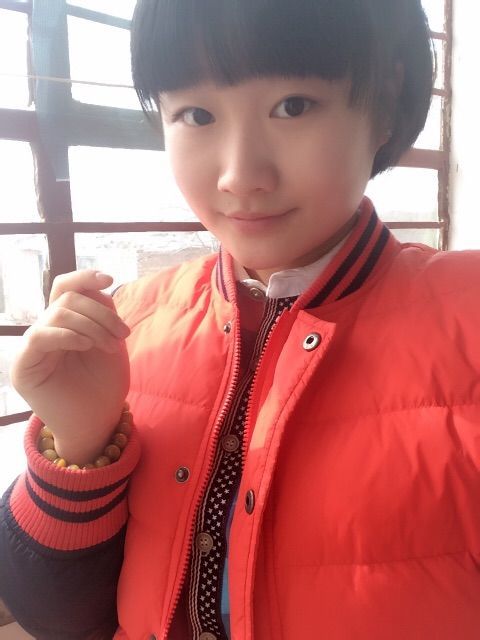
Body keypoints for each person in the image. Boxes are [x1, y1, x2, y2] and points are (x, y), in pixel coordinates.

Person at [1, 0, 479, 638]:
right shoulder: (126, 325)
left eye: (294, 106)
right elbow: (58, 619)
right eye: (196, 115)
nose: (241, 176)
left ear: (386, 102)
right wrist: (81, 438)